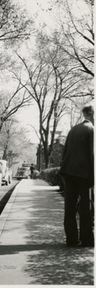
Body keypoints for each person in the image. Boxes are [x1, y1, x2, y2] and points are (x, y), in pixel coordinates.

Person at [60, 105, 94, 247]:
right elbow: (93, 155)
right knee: (86, 208)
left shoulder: (73, 129)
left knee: (70, 208)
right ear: (92, 114)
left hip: (69, 173)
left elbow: (65, 152)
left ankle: (71, 239)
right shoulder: (91, 130)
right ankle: (86, 240)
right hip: (84, 175)